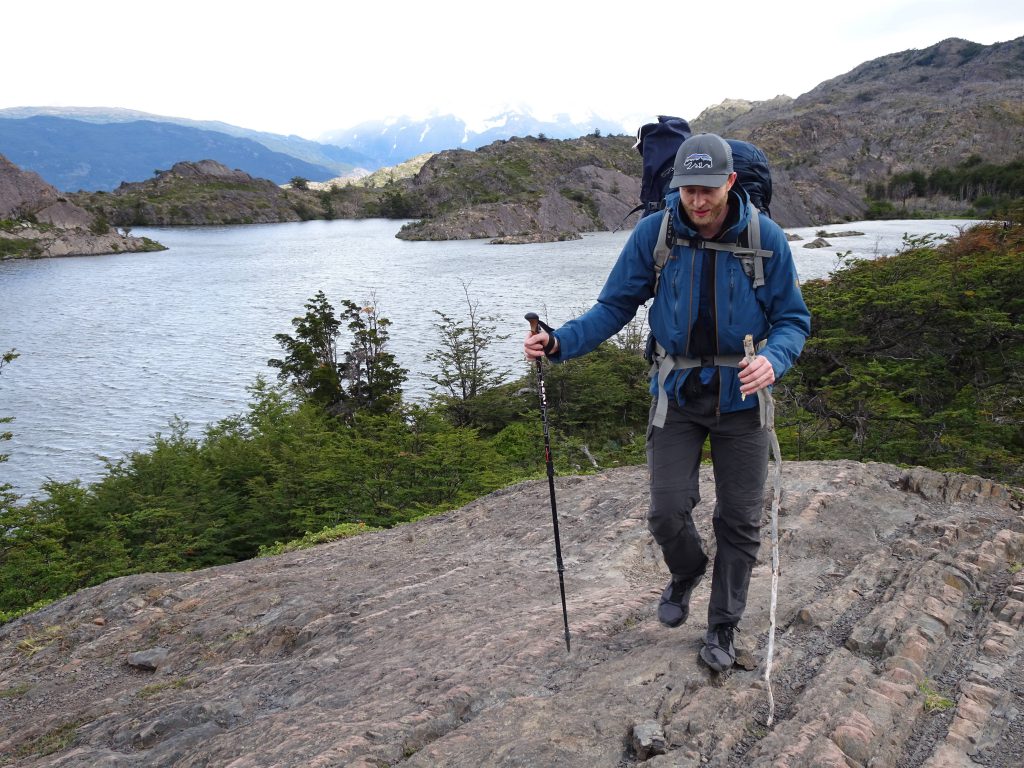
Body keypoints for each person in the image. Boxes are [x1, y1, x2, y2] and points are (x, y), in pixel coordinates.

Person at [523, 133, 811, 672]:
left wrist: (776, 357)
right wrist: (560, 342)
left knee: (739, 522)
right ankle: (686, 570)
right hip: (675, 396)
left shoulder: (763, 237)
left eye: (707, 190)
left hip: (743, 401)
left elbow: (793, 319)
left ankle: (722, 625)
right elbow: (614, 306)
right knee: (666, 511)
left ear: (729, 183)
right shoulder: (655, 234)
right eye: (686, 191)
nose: (697, 203)